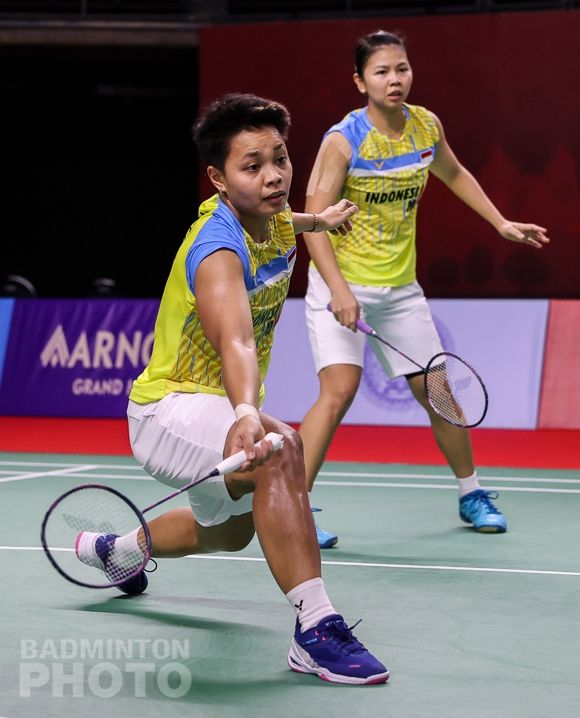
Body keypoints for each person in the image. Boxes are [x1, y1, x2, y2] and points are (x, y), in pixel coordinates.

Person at [74, 93, 389, 686]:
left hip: (214, 410)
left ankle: (115, 552)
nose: (274, 176)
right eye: (253, 166)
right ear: (219, 178)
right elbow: (237, 342)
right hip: (168, 409)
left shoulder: (269, 216)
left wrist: (317, 220)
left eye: (281, 158)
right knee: (280, 450)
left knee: (229, 531)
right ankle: (316, 628)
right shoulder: (217, 250)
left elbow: (280, 216)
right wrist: (248, 409)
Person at [299, 31, 550, 548]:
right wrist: (340, 291)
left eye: (402, 69)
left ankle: (471, 492)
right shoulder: (343, 140)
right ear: (360, 81)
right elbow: (313, 224)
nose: (395, 80)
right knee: (339, 391)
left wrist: (500, 223)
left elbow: (454, 172)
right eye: (382, 72)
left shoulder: (425, 125)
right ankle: (292, 507)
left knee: (438, 392)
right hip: (340, 283)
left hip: (401, 290)